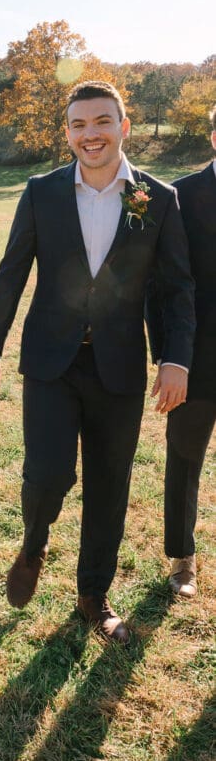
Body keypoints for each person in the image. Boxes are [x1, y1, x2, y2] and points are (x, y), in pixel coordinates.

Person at [0, 80, 195, 642]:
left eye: (101, 122)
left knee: (109, 484)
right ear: (67, 132)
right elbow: (11, 271)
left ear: (123, 127)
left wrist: (176, 359)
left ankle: (93, 594)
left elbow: (177, 288)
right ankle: (34, 540)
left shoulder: (159, 198)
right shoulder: (41, 191)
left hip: (119, 366)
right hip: (51, 360)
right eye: (78, 124)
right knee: (46, 476)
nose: (89, 134)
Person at [147, 105, 216, 599]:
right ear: (214, 135)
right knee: (185, 458)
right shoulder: (182, 196)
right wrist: (170, 356)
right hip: (198, 359)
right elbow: (162, 282)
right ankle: (182, 558)